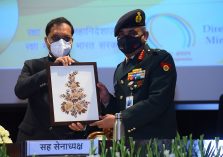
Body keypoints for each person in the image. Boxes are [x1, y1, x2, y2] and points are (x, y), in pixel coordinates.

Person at [90, 9, 177, 139]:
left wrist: (120, 120)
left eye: (132, 33)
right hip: (128, 142)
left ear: (145, 36)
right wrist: (107, 99)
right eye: (121, 34)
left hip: (156, 141)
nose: (126, 38)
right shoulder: (120, 68)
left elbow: (158, 100)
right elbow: (123, 106)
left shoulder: (159, 59)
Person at [14, 17, 88, 142]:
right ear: (46, 40)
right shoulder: (32, 65)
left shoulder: (83, 70)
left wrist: (83, 124)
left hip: (68, 140)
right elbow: (20, 91)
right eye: (55, 38)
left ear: (72, 41)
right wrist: (50, 70)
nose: (61, 42)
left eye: (66, 38)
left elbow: (88, 108)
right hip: (34, 138)